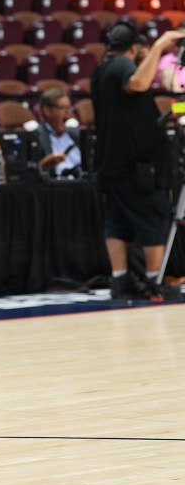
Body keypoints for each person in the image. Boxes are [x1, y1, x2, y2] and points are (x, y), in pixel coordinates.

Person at [91, 21, 185, 301]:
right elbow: (138, 83)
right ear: (134, 48)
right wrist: (159, 47)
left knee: (117, 222)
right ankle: (155, 281)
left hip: (112, 161)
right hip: (136, 164)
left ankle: (121, 280)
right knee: (152, 216)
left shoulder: (101, 70)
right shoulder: (122, 66)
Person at [33, 87, 81, 177]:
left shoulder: (77, 134)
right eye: (63, 108)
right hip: (56, 187)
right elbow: (28, 175)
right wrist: (43, 166)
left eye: (69, 108)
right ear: (47, 111)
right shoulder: (36, 137)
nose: (68, 113)